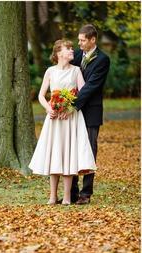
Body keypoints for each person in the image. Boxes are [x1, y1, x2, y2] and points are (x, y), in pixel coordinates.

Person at [29, 40, 96, 205]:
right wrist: (48, 108)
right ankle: (52, 196)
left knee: (68, 154)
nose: (72, 50)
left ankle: (66, 197)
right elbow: (41, 95)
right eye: (69, 48)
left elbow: (82, 94)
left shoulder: (76, 71)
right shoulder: (50, 71)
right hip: (54, 120)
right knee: (55, 154)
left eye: (72, 48)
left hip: (71, 118)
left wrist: (70, 108)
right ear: (59, 53)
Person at [70, 24, 110, 204]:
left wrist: (72, 104)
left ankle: (85, 193)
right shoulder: (76, 56)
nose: (79, 43)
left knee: (89, 150)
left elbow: (91, 86)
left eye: (82, 40)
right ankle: (71, 191)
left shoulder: (103, 60)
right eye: (78, 40)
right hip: (72, 112)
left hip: (91, 112)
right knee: (71, 149)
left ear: (93, 39)